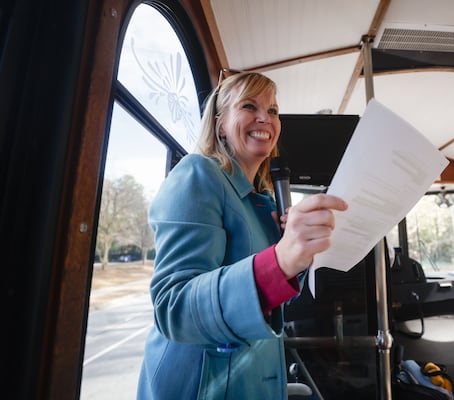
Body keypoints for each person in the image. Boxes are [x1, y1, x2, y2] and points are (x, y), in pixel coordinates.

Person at [136, 71, 348, 399]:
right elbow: (173, 306)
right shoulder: (197, 174)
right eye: (250, 106)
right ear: (220, 125)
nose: (265, 117)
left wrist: (299, 255)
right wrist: (279, 261)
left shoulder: (261, 201)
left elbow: (267, 299)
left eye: (274, 111)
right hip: (201, 384)